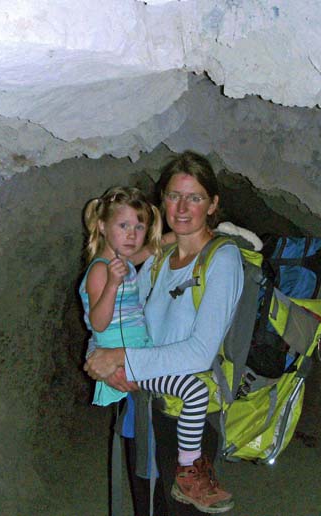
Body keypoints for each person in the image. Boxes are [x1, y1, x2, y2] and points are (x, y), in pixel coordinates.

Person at [84, 152, 244, 515]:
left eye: (195, 197)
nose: (183, 207)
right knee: (146, 507)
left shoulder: (223, 259)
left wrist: (122, 360)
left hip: (190, 413)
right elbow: (122, 316)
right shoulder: (156, 259)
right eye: (174, 196)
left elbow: (199, 353)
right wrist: (103, 358)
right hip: (143, 403)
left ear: (213, 204)